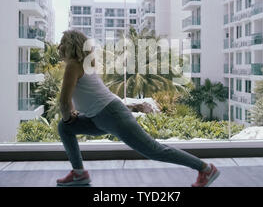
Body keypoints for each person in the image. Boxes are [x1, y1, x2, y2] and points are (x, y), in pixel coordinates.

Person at [56, 30, 220, 187]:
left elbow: (64, 101)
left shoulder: (73, 65)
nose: (59, 47)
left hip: (112, 115)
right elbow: (73, 100)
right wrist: (69, 117)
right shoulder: (82, 65)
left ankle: (206, 169)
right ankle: (79, 173)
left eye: (62, 43)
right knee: (64, 127)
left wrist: (69, 118)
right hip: (100, 118)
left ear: (71, 45)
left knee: (154, 150)